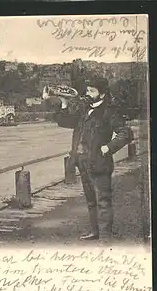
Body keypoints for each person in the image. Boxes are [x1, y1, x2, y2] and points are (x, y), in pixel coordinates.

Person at [50, 77, 133, 243]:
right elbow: (64, 121)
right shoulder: (84, 109)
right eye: (87, 90)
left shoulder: (109, 111)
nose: (87, 94)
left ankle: (105, 238)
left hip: (100, 162)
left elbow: (126, 133)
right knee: (90, 201)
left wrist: (108, 148)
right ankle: (95, 232)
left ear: (102, 94)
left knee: (103, 201)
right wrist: (64, 103)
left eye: (92, 91)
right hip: (82, 162)